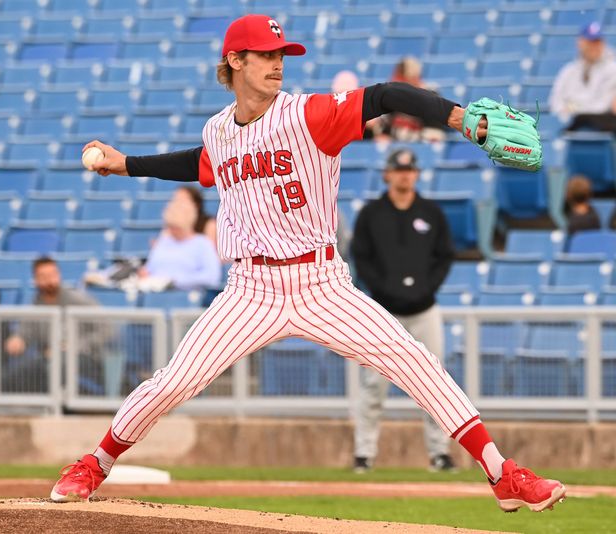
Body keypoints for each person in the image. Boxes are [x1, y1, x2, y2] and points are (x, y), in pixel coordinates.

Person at [51, 14, 565, 513]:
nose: (278, 64)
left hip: (321, 283)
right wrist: (127, 164)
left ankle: (503, 474)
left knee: (415, 360)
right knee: (175, 381)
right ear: (235, 60)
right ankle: (94, 464)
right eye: (266, 55)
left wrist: (457, 118)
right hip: (250, 288)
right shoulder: (220, 132)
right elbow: (196, 161)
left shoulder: (308, 114)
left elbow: (384, 96)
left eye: (282, 54)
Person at [351, 148, 456, 473]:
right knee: (374, 384)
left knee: (435, 382)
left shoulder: (431, 212)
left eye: (409, 170)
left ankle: (440, 453)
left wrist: (427, 288)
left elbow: (444, 256)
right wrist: (381, 289)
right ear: (388, 173)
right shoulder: (371, 213)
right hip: (384, 313)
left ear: (417, 174)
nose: (404, 175)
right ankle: (364, 453)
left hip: (425, 310)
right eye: (399, 169)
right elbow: (361, 257)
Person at [3, 257, 108, 394]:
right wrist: (18, 339)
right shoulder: (35, 304)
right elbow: (25, 331)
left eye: (53, 274)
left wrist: (74, 345)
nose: (50, 280)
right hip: (47, 359)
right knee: (11, 374)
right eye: (43, 276)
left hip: (85, 358)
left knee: (55, 365)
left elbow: (106, 329)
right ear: (35, 280)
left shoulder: (79, 299)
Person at [137, 197, 221, 291]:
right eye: (170, 226)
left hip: (188, 295)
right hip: (155, 291)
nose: (172, 231)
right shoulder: (164, 241)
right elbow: (150, 268)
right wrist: (144, 273)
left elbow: (212, 277)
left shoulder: (202, 244)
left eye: (176, 228)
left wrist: (176, 281)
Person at [549, 22, 616, 126]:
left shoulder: (612, 69)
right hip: (572, 127)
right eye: (590, 42)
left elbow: (602, 106)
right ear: (581, 43)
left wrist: (573, 107)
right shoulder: (569, 71)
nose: (594, 47)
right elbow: (556, 103)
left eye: (597, 42)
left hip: (601, 128)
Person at [370, 56, 447, 142]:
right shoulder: (393, 95)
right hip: (394, 148)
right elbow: (382, 129)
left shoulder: (431, 97)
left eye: (402, 79)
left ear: (415, 79)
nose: (397, 84)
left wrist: (400, 137)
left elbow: (435, 136)